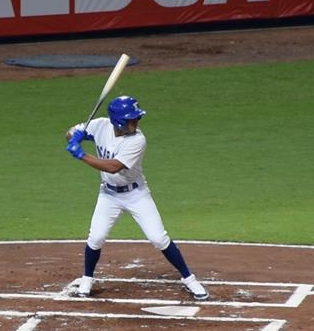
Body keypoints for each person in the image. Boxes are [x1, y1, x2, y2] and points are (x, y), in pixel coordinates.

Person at [63, 96, 208, 300]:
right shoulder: (99, 125)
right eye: (132, 120)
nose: (136, 123)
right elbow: (68, 134)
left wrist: (81, 155)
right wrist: (74, 135)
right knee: (95, 237)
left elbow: (113, 166)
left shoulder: (137, 140)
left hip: (135, 194)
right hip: (109, 194)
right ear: (119, 121)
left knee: (158, 238)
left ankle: (190, 280)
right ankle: (86, 280)